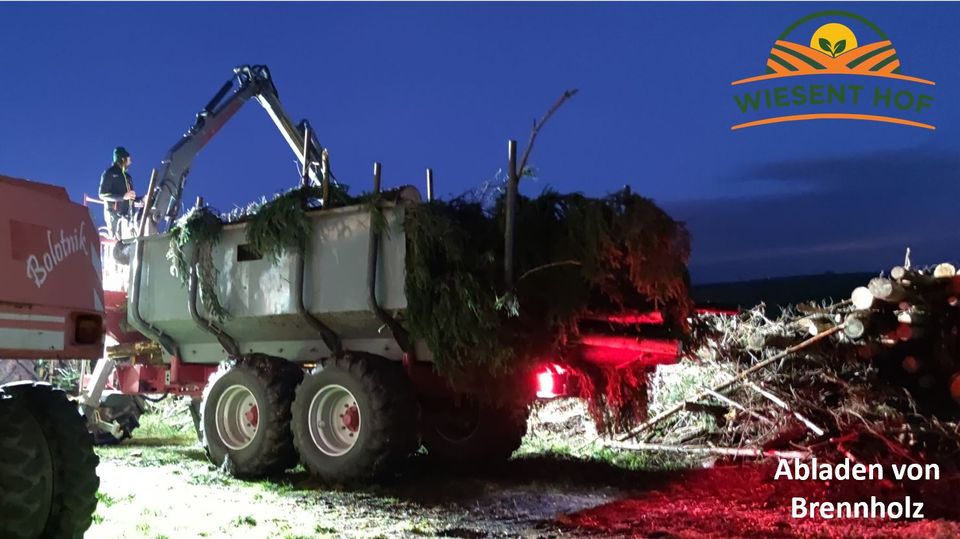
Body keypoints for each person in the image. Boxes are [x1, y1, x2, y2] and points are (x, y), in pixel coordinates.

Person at [99, 147, 137, 238]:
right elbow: (102, 194)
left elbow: (130, 197)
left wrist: (142, 199)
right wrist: (123, 196)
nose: (130, 162)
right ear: (122, 159)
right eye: (128, 160)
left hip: (128, 216)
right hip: (114, 215)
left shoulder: (128, 177)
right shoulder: (109, 173)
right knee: (117, 242)